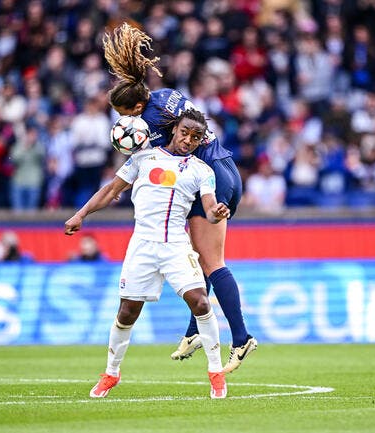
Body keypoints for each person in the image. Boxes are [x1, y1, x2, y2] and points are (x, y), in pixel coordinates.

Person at [102, 23, 257, 373]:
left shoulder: (150, 123)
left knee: (213, 262)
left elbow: (156, 158)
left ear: (137, 105)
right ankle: (193, 331)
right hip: (226, 166)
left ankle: (243, 338)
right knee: (199, 260)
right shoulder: (166, 95)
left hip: (210, 176)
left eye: (126, 115)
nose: (126, 121)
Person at [65, 109, 229, 399]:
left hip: (176, 245)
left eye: (196, 137)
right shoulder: (142, 158)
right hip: (142, 245)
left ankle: (216, 373)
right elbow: (111, 190)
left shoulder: (202, 171)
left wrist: (217, 214)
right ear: (174, 129)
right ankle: (111, 373)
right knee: (127, 312)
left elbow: (211, 207)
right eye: (185, 133)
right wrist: (81, 215)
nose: (189, 140)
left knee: (201, 302)